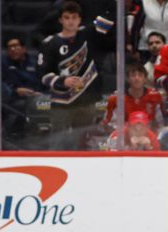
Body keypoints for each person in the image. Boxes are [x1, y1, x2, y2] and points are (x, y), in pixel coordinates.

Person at [38, 0, 115, 150]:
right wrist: (62, 81)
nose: (71, 21)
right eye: (67, 17)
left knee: (83, 143)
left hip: (86, 100)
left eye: (74, 17)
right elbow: (42, 73)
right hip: (62, 103)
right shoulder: (51, 43)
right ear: (60, 20)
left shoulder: (89, 34)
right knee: (58, 143)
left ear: (80, 19)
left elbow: (109, 17)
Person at [102, 63, 164, 129]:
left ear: (145, 79)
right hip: (125, 135)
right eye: (133, 75)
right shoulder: (116, 99)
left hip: (149, 135)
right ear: (128, 79)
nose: (137, 78)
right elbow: (109, 124)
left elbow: (160, 124)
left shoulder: (155, 96)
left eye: (140, 75)